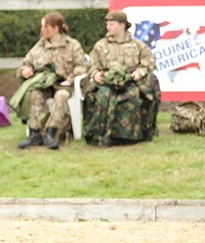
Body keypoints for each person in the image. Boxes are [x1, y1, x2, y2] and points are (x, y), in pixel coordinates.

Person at [83, 9, 160, 147]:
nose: (108, 27)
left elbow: (149, 62)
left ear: (122, 25)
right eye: (107, 24)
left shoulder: (136, 45)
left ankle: (128, 136)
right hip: (107, 82)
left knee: (131, 97)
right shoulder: (101, 45)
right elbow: (91, 64)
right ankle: (101, 135)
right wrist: (95, 74)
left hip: (130, 81)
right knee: (103, 97)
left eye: (111, 24)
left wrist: (140, 72)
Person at [14, 12, 87, 150]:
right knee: (34, 94)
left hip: (63, 85)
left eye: (44, 26)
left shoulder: (72, 45)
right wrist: (24, 71)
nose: (41, 30)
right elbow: (25, 64)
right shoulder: (39, 46)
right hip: (44, 85)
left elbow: (81, 66)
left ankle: (51, 133)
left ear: (55, 28)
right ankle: (34, 133)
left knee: (61, 97)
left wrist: (70, 80)